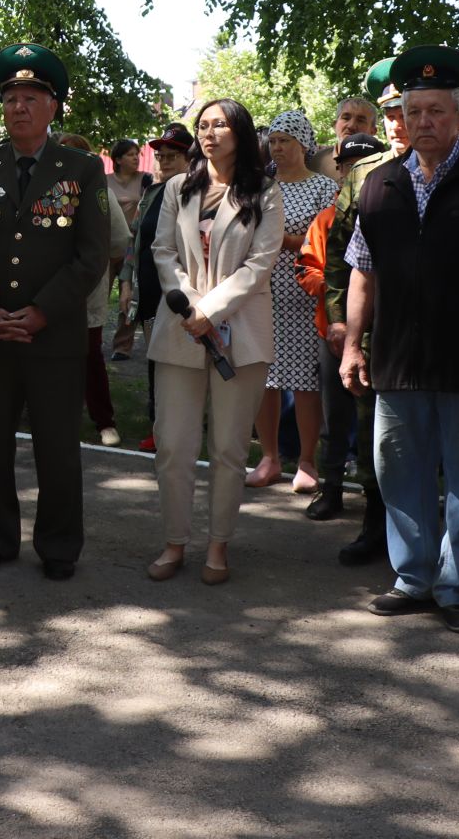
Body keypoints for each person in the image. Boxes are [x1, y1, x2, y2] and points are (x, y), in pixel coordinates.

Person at [341, 45, 459, 635]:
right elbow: (362, 272)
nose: (423, 122)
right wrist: (352, 344)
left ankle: (456, 587)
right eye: (413, 110)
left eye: (436, 111)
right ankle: (413, 577)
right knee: (398, 469)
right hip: (398, 359)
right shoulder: (379, 186)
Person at [0, 44, 111, 581]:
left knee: (58, 445)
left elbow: (91, 255)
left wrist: (40, 311)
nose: (20, 107)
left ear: (54, 106)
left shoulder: (82, 170)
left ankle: (59, 546)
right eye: (11, 98)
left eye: (32, 98)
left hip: (54, 334)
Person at [144, 99, 282, 584]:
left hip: (238, 335)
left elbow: (259, 265)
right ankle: (174, 543)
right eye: (202, 125)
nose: (208, 133)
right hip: (181, 329)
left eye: (219, 125)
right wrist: (189, 305)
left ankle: (218, 546)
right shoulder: (178, 188)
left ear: (240, 133)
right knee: (174, 446)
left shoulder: (264, 192)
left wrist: (211, 311)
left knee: (227, 449)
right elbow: (162, 251)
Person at [314, 66, 407, 549]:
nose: (399, 121)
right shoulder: (366, 175)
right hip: (368, 326)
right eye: (391, 113)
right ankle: (374, 523)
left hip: (424, 330)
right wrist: (338, 318)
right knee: (373, 430)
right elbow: (338, 256)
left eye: (404, 111)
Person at [293, 132, 385, 519]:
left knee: (374, 425)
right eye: (346, 166)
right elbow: (307, 266)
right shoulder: (327, 219)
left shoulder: (385, 212)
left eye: (359, 166)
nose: (351, 173)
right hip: (330, 332)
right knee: (335, 418)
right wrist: (336, 297)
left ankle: (375, 499)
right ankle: (330, 488)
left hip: (378, 335)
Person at [249, 110, 339, 494]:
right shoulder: (259, 187)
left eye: (285, 140)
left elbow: (325, 240)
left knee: (304, 381)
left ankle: (307, 460)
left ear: (304, 144)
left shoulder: (323, 187)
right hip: (260, 294)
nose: (278, 147)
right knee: (262, 378)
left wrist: (281, 241)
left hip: (304, 298)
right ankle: (268, 458)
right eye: (273, 141)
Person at [57, 132, 132, 446]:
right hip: (45, 289)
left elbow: (119, 240)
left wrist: (99, 267)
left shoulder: (99, 190)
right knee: (44, 353)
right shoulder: (41, 190)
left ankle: (104, 421)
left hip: (86, 287)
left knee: (88, 354)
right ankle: (48, 414)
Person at [127, 124, 193, 450]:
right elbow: (135, 239)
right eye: (161, 155)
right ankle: (158, 426)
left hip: (181, 293)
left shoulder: (192, 193)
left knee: (179, 364)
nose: (165, 161)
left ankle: (180, 427)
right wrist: (127, 283)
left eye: (173, 155)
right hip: (149, 292)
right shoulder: (151, 192)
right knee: (155, 362)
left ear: (188, 158)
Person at [106, 138, 146, 361]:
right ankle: (91, 338)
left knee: (128, 297)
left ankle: (122, 346)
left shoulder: (144, 180)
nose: (136, 158)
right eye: (130, 154)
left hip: (132, 247)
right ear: (118, 159)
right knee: (99, 295)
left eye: (137, 154)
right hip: (106, 246)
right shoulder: (105, 180)